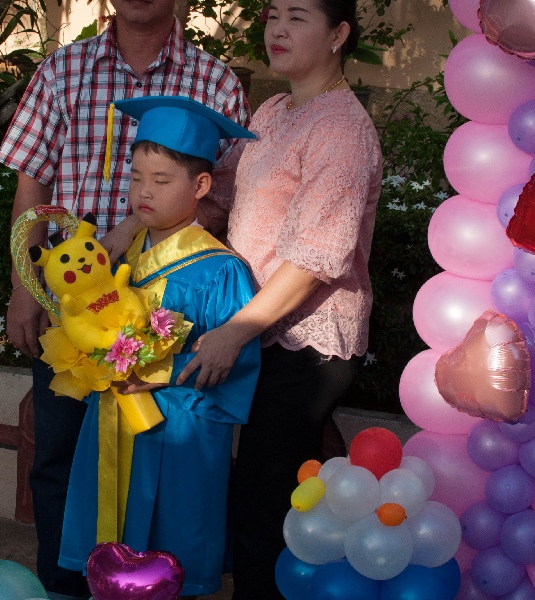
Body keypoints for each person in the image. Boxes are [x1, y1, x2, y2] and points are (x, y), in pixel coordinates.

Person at [0, 1, 249, 597]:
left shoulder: (214, 81)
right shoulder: (63, 69)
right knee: (59, 457)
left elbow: (226, 193)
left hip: (166, 307)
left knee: (154, 463)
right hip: (71, 311)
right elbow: (32, 185)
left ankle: (143, 586)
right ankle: (65, 586)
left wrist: (136, 230)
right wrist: (24, 287)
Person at [175, 0, 383, 597]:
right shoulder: (272, 110)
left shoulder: (342, 129)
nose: (278, 30)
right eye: (272, 17)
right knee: (253, 495)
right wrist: (146, 224)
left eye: (297, 17)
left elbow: (317, 259)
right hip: (257, 327)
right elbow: (220, 198)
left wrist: (234, 331)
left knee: (267, 502)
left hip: (306, 343)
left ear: (338, 34)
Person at [56, 96, 261, 599]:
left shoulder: (221, 271)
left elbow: (237, 372)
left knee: (170, 562)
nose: (144, 191)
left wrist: (161, 373)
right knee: (107, 558)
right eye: (136, 177)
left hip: (180, 436)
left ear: (201, 186)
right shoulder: (118, 259)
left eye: (162, 180)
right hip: (111, 424)